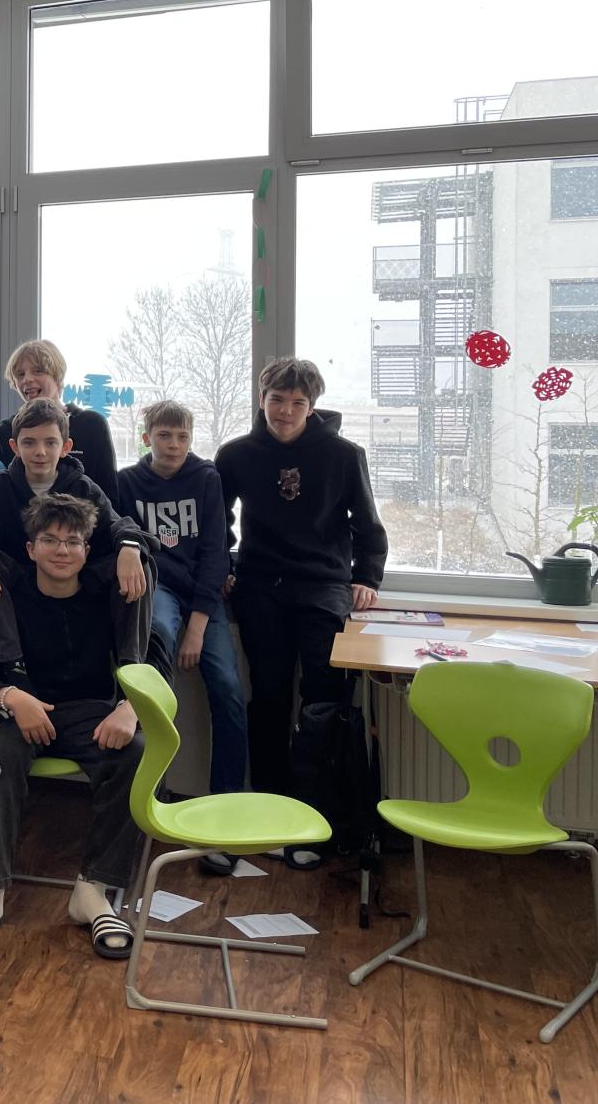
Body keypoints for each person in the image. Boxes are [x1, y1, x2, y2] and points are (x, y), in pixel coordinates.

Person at [0, 493, 164, 960]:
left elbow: (155, 657)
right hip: (24, 710)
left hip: (90, 711)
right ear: (31, 549)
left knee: (135, 752)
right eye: (49, 540)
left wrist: (130, 706)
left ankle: (94, 889)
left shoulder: (107, 592)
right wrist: (11, 697)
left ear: (88, 550)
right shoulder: (8, 595)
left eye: (73, 542)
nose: (61, 550)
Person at [215, 358, 386, 866]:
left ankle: (313, 820)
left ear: (311, 407)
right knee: (268, 699)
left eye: (297, 403)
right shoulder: (236, 454)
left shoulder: (344, 455)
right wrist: (223, 566)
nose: (285, 411)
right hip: (260, 588)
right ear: (261, 399)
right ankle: (270, 811)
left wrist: (367, 577)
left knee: (322, 703)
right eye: (277, 400)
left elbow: (368, 525)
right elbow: (216, 520)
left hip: (323, 588)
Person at [116, 399, 244, 872]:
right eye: (164, 436)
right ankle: (153, 796)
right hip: (160, 589)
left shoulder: (206, 478)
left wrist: (199, 626)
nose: (174, 445)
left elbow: (215, 552)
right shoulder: (127, 483)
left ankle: (227, 809)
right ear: (145, 438)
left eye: (183, 436)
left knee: (227, 687)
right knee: (155, 654)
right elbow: (121, 538)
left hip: (203, 597)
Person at [0, 397, 149, 623]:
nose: (40, 451)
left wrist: (130, 547)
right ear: (14, 447)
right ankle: (4, 647)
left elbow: (117, 524)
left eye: (50, 443)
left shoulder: (83, 487)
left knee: (140, 562)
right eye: (29, 443)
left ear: (65, 447)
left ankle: (128, 647)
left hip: (73, 582)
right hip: (19, 585)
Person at [0, 339, 118, 498]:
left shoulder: (92, 425)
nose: (27, 379)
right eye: (20, 374)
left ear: (58, 378)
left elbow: (109, 493)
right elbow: (4, 494)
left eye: (38, 371)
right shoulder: (6, 431)